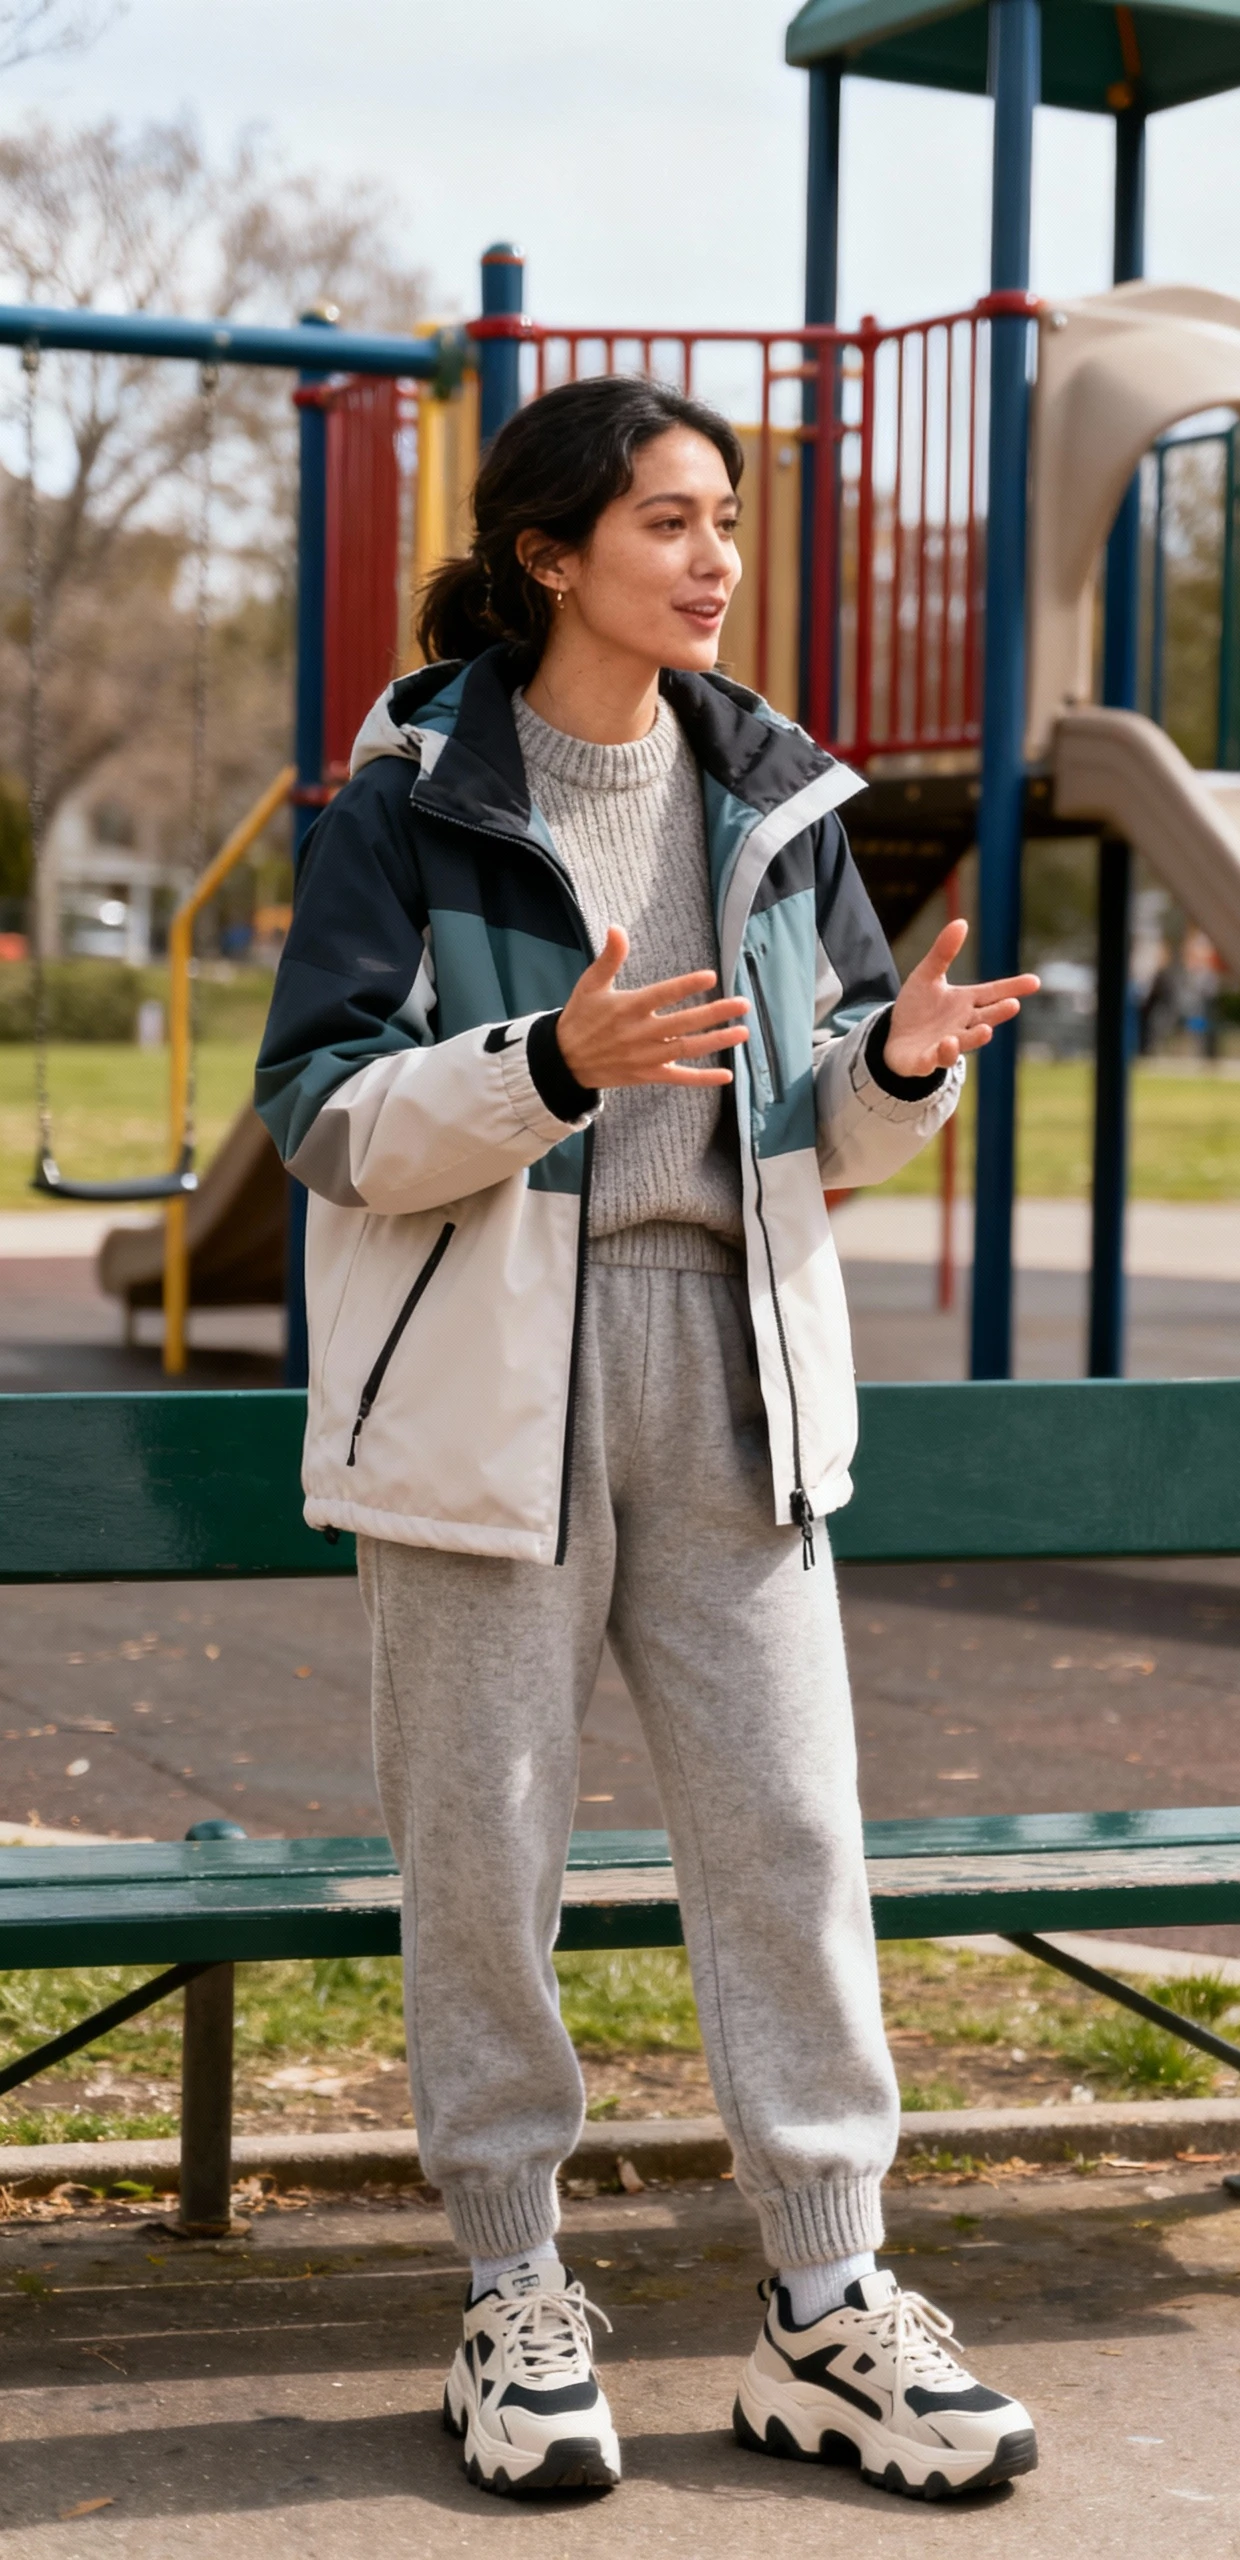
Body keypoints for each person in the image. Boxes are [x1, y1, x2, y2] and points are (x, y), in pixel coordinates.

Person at [256, 373, 1039, 2504]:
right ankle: (514, 2294)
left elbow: (816, 1145)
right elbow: (318, 1114)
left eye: (726, 523)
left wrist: (899, 1065)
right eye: (672, 523)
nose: (715, 561)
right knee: (485, 1851)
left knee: (791, 1834)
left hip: (739, 1367)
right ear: (550, 552)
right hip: (487, 1390)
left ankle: (829, 2300)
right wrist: (548, 1060)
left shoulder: (776, 794)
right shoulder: (414, 794)